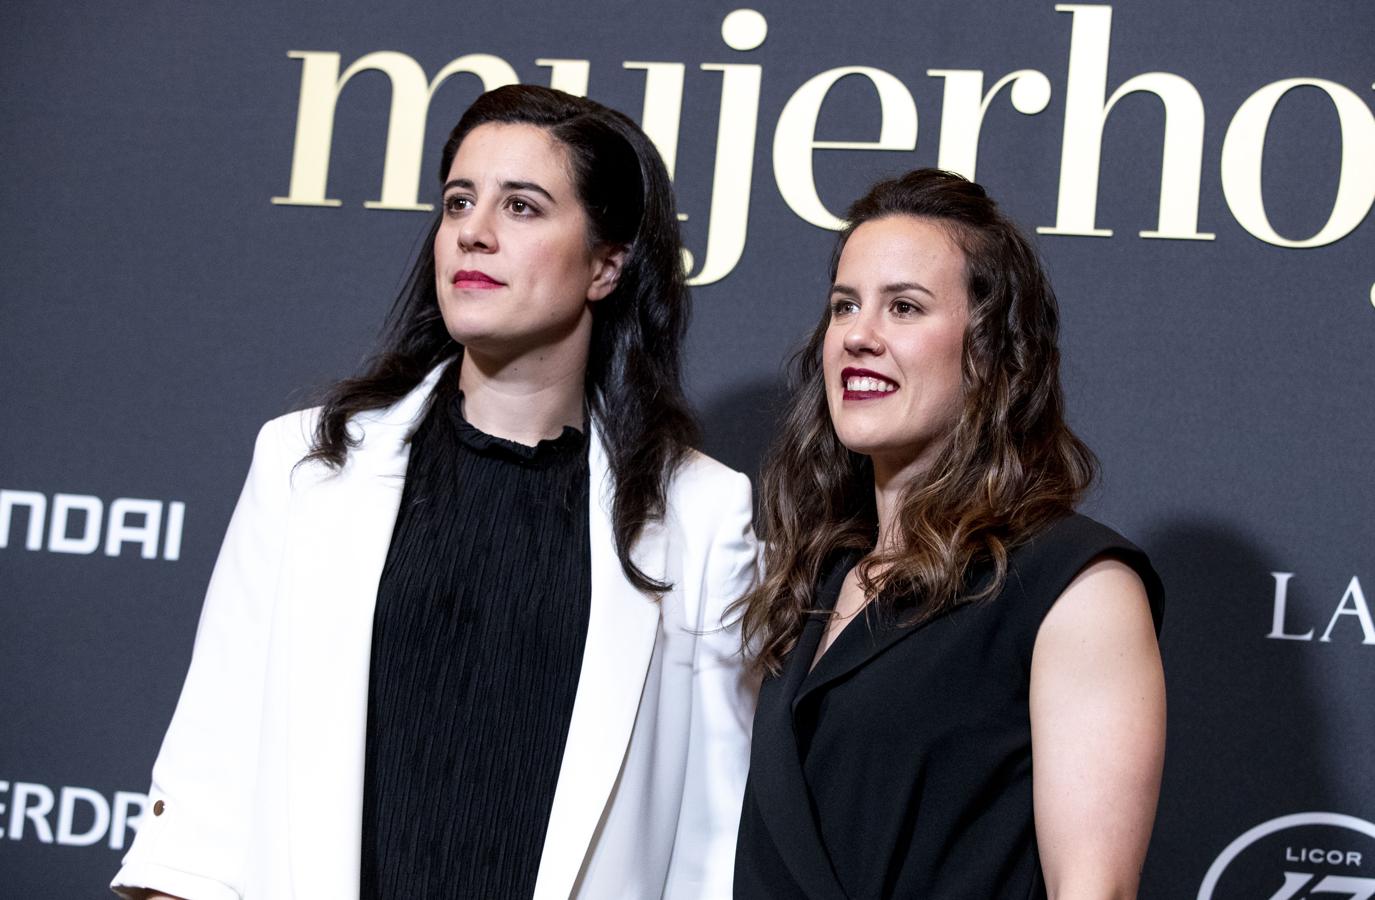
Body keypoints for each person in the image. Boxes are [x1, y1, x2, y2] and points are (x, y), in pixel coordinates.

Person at [112, 84, 758, 900]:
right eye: (459, 201)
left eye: (521, 207)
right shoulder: (306, 465)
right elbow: (207, 785)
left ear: (605, 264)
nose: (473, 233)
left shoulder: (701, 514)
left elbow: (713, 839)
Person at [733, 169, 1166, 899]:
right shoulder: (821, 574)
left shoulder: (1076, 586)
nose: (859, 336)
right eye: (844, 306)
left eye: (904, 307)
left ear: (992, 352)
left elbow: (1094, 890)